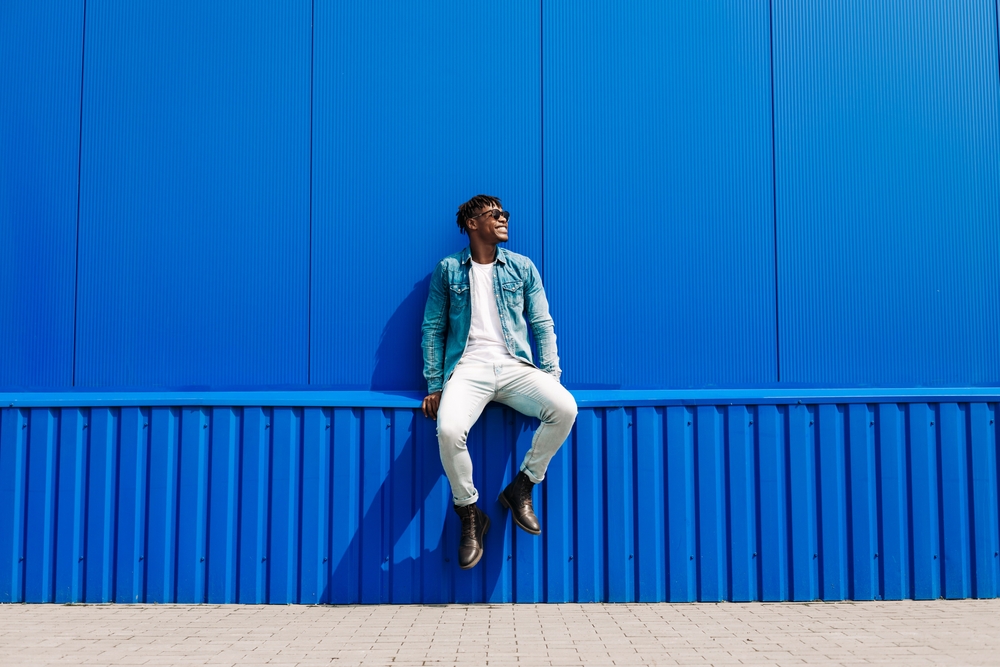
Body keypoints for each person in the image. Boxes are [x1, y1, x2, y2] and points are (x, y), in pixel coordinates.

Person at [420, 194, 578, 569]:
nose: (504, 219)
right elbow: (433, 329)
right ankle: (470, 513)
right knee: (448, 430)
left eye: (505, 213)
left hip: (514, 365)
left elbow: (542, 325)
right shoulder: (449, 270)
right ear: (473, 224)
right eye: (494, 214)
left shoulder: (522, 267)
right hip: (467, 369)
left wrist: (551, 376)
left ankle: (522, 486)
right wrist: (434, 383)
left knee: (565, 408)